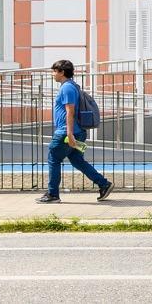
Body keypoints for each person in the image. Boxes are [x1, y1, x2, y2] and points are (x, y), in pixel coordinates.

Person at [38, 59, 113, 203]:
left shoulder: (67, 88)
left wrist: (69, 134)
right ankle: (103, 184)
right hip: (77, 131)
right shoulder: (72, 86)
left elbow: (70, 111)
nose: (53, 74)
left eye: (54, 71)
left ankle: (52, 194)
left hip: (66, 132)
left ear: (62, 72)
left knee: (54, 158)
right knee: (77, 160)